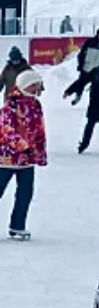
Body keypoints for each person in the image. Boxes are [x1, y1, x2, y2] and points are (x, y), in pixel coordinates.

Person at [1, 69, 47, 240]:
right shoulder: (10, 104)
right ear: (24, 85)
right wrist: (23, 146)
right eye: (33, 85)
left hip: (27, 159)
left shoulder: (35, 104)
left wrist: (40, 152)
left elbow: (39, 129)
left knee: (25, 193)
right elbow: (6, 129)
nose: (36, 89)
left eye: (37, 85)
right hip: (7, 158)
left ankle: (17, 226)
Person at [64, 28, 99, 99]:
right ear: (97, 34)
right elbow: (81, 54)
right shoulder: (90, 42)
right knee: (81, 82)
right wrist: (81, 64)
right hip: (87, 67)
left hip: (98, 70)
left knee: (98, 85)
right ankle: (72, 93)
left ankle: (96, 99)